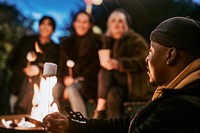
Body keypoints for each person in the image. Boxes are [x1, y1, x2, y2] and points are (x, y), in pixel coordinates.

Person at [43, 16, 200, 133]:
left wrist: (118, 64)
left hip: (130, 85)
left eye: (151, 51)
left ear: (171, 55)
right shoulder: (176, 97)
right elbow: (128, 124)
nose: (147, 58)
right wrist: (72, 124)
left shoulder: (182, 108)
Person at [93, 9, 153, 119]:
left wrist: (119, 64)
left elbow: (145, 60)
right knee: (113, 94)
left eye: (120, 21)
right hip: (115, 86)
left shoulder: (135, 39)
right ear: (109, 25)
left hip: (134, 84)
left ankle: (99, 109)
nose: (116, 24)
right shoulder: (105, 41)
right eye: (113, 21)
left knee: (105, 71)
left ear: (125, 24)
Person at [8, 15, 59, 114]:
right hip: (19, 81)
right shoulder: (27, 41)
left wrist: (38, 69)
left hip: (40, 88)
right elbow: (14, 60)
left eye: (49, 25)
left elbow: (55, 66)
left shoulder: (55, 48)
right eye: (42, 24)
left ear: (53, 29)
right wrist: (24, 68)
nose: (45, 27)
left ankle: (21, 110)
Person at [56, 11, 102, 118]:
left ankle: (82, 125)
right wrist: (65, 79)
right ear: (74, 23)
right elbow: (61, 68)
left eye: (85, 22)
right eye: (79, 21)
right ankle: (57, 121)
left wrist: (77, 80)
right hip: (68, 81)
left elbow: (95, 68)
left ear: (90, 25)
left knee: (72, 89)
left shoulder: (96, 42)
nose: (81, 25)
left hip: (87, 83)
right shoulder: (67, 44)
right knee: (56, 89)